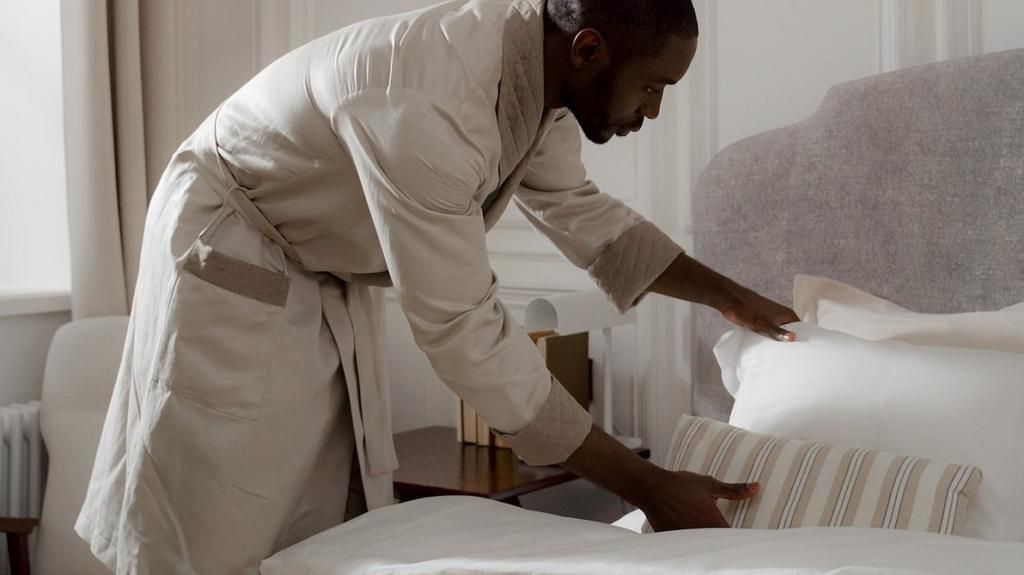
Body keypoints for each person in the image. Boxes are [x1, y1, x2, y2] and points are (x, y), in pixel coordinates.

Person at [76, 0, 799, 572]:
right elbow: (465, 335)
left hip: (312, 255)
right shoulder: (428, 104)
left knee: (311, 522)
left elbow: (586, 217)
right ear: (590, 52)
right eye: (652, 86)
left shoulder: (541, 79)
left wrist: (728, 296)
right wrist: (650, 487)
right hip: (231, 238)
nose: (654, 110)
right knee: (215, 515)